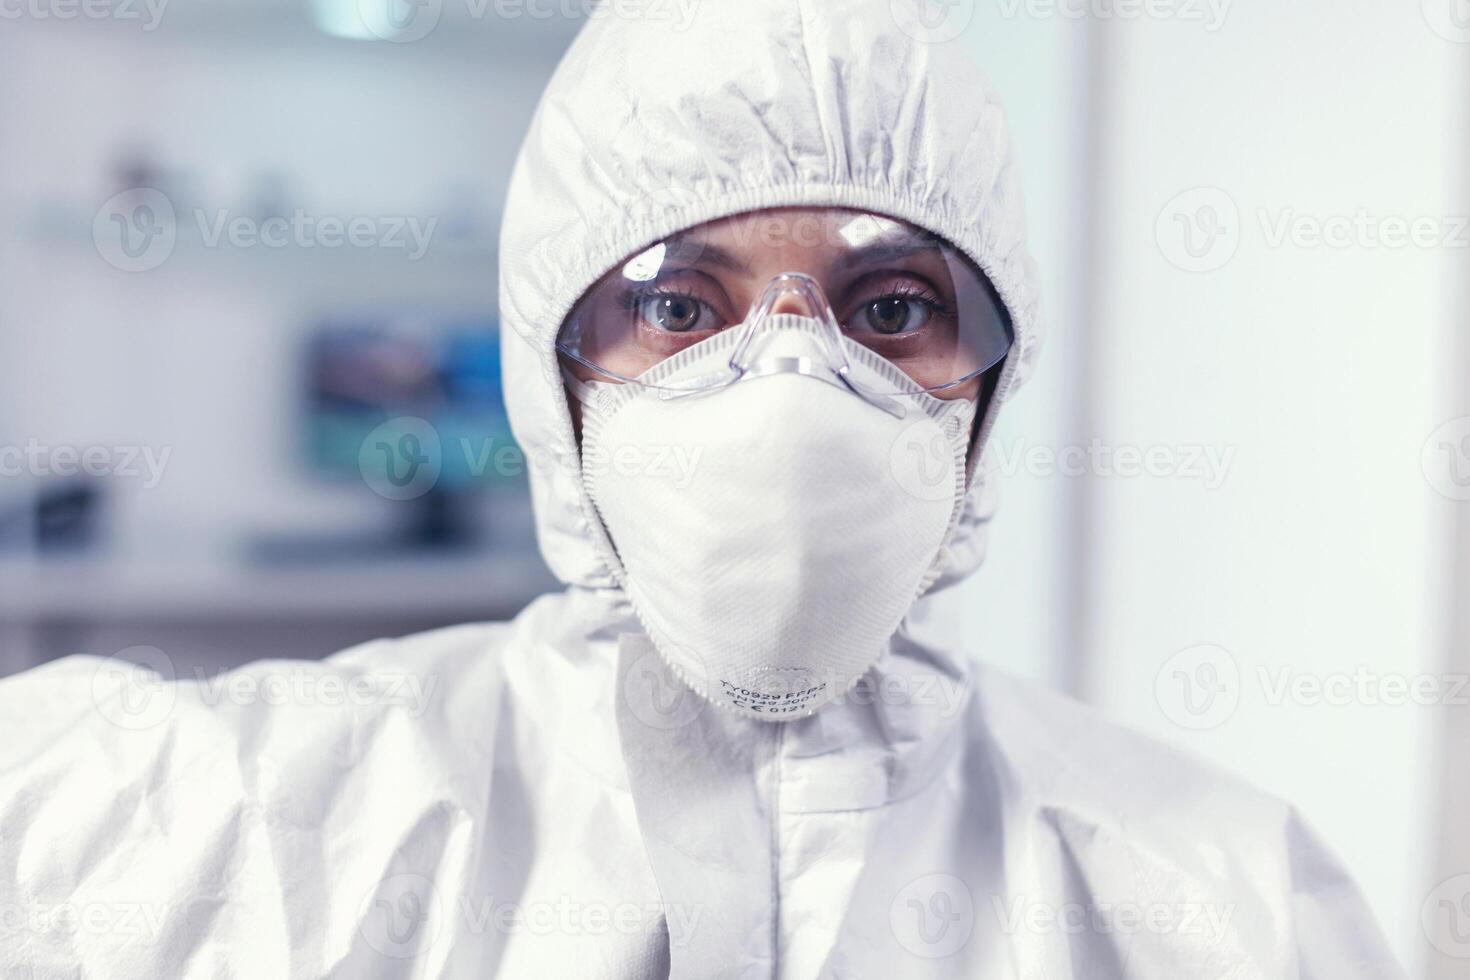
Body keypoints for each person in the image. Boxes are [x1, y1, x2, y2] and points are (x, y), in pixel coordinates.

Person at [0, 1, 1402, 977]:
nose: (790, 384)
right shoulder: (247, 824)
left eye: (891, 302)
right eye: (679, 309)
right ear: (556, 376)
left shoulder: (1213, 899)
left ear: (988, 382)